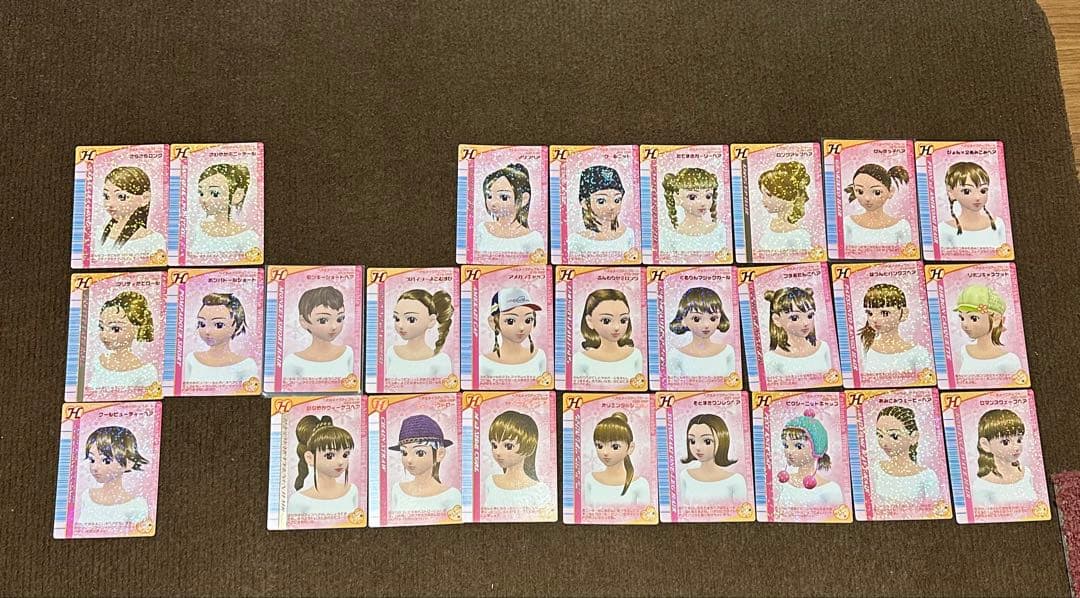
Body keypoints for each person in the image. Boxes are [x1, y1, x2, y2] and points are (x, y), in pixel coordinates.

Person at [77, 426, 150, 525]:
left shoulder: (136, 505)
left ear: (129, 463)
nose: (94, 467)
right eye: (92, 460)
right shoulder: (87, 496)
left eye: (106, 461)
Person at [287, 415, 359, 516]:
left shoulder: (352, 491)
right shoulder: (297, 501)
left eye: (345, 454)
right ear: (310, 458)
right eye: (329, 455)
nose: (340, 462)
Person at [388, 415, 461, 512]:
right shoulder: (397, 490)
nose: (409, 460)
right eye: (404, 453)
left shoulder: (451, 496)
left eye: (420, 453)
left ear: (440, 454)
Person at [183, 292, 259, 383]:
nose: (207, 331)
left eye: (219, 325)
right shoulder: (192, 359)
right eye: (202, 324)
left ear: (236, 327)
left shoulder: (246, 365)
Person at [89, 291, 158, 390]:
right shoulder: (97, 362)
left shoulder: (145, 371)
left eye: (115, 329)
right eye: (101, 327)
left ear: (136, 329)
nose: (104, 335)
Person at [483, 410, 552, 509]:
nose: (498, 452)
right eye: (494, 445)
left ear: (528, 449)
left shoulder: (540, 491)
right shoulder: (490, 482)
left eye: (508, 446)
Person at [282, 286, 354, 380]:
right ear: (304, 322)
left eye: (339, 319)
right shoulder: (292, 362)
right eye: (323, 320)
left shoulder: (348, 353)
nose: (334, 327)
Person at [572, 289, 643, 382]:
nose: (617, 327)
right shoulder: (580, 360)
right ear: (590, 321)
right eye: (606, 320)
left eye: (623, 320)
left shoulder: (635, 355)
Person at [678, 414, 747, 505]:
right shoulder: (685, 476)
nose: (697, 447)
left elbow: (742, 511)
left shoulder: (736, 480)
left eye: (707, 441)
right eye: (692, 441)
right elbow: (683, 509)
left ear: (722, 440)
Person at [385, 289, 454, 379]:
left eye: (411, 319)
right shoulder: (391, 352)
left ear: (431, 321)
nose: (400, 325)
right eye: (397, 318)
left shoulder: (441, 360)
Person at [584, 412, 650, 506]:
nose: (605, 452)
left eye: (615, 446)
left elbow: (645, 513)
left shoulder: (640, 484)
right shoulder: (590, 479)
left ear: (630, 448)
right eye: (600, 446)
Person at [480, 287, 547, 378]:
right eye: (510, 321)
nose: (521, 327)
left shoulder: (539, 357)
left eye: (528, 320)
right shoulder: (484, 363)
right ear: (493, 323)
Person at [842, 163, 912, 247]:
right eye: (860, 191)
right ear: (854, 190)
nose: (867, 198)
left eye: (877, 192)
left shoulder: (901, 226)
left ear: (890, 192)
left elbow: (909, 252)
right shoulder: (848, 223)